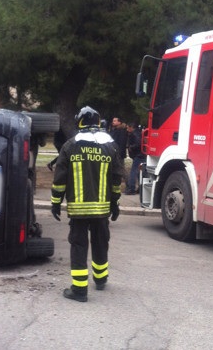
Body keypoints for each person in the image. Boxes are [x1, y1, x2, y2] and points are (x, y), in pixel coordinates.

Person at [51, 106, 123, 302]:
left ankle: (79, 290)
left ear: (79, 121)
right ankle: (100, 279)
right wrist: (115, 203)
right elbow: (117, 178)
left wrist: (55, 203)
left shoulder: (70, 146)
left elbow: (60, 180)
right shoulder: (110, 146)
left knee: (79, 246)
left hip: (78, 210)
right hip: (101, 210)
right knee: (101, 242)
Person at [124, 121, 145, 195]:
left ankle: (131, 188)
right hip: (141, 155)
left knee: (133, 171)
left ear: (131, 127)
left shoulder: (135, 134)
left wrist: (131, 147)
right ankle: (140, 188)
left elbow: (138, 143)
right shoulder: (138, 133)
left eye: (128, 128)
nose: (127, 129)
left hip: (138, 155)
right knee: (140, 172)